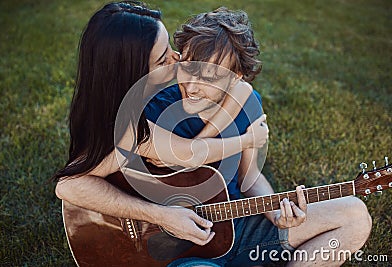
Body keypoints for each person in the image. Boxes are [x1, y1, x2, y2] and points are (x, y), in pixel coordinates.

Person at [143, 7, 372, 267]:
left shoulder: (248, 104)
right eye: (189, 69)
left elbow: (249, 178)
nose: (193, 87)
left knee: (355, 215)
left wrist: (276, 215)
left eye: (210, 79)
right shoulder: (158, 109)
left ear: (235, 78)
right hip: (183, 247)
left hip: (239, 227)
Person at [53, 0, 269, 257]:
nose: (176, 59)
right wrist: (246, 140)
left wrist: (236, 100)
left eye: (170, 47)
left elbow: (234, 165)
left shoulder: (173, 93)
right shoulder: (138, 122)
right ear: (135, 73)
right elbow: (189, 153)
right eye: (161, 58)